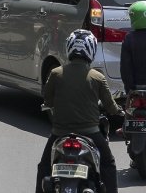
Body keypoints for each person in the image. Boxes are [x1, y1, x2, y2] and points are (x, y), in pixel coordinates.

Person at [36, 29, 120, 193]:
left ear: (69, 49)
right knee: (108, 164)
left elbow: (47, 99)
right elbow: (110, 107)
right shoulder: (97, 76)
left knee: (44, 166)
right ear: (91, 50)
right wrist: (119, 111)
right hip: (91, 133)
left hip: (59, 132)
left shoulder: (56, 73)